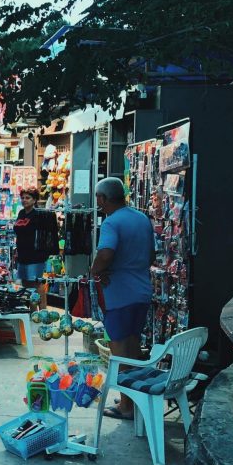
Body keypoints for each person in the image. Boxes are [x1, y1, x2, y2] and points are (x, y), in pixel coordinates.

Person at [90, 177, 155, 421]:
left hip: (119, 295)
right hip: (141, 292)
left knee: (119, 351)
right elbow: (150, 255)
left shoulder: (111, 222)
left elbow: (106, 253)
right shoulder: (141, 218)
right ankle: (131, 398)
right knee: (133, 348)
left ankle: (126, 406)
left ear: (102, 199)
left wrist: (95, 271)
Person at [13, 187, 58, 291]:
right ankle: (31, 308)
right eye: (23, 198)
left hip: (35, 256)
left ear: (34, 200)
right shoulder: (21, 213)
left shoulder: (39, 214)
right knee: (25, 284)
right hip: (22, 255)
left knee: (36, 284)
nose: (24, 200)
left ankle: (42, 307)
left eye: (27, 198)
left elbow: (46, 236)